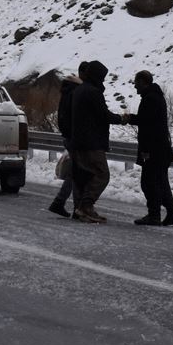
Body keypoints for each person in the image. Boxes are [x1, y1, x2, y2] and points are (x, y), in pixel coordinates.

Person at [68, 60, 127, 223]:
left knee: (85, 175)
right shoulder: (93, 92)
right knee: (102, 174)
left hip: (79, 141)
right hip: (91, 142)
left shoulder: (79, 90)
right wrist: (121, 119)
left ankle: (80, 208)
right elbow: (104, 115)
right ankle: (86, 206)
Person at [128, 71, 173, 226]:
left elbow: (146, 123)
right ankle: (171, 213)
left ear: (143, 82)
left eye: (136, 82)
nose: (134, 85)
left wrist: (129, 118)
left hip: (153, 150)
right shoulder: (155, 96)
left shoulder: (150, 99)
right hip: (160, 148)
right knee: (160, 182)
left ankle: (155, 214)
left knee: (149, 182)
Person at [48, 68, 84, 218]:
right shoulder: (75, 93)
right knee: (77, 172)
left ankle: (62, 202)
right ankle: (71, 205)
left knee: (75, 172)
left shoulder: (66, 92)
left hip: (69, 137)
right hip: (75, 138)